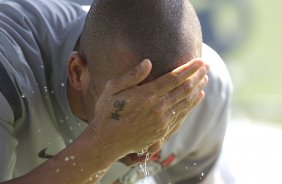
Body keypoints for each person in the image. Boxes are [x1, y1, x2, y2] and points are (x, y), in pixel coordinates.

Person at [0, 0, 232, 184]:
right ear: (77, 72)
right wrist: (105, 145)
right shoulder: (9, 74)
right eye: (130, 105)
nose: (151, 144)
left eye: (171, 106)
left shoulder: (204, 88)